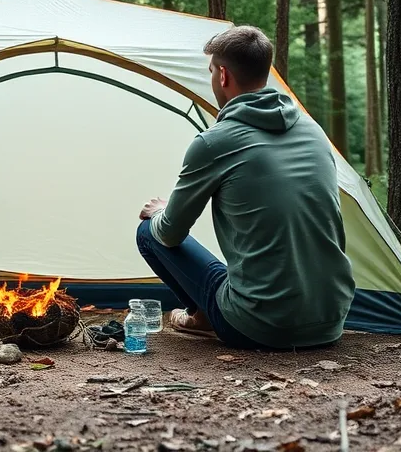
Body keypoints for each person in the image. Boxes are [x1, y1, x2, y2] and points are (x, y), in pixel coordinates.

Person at [136, 26, 355, 350]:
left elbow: (169, 233)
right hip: (331, 319)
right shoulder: (313, 131)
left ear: (223, 75)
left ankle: (202, 318)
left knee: (148, 232)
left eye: (211, 72)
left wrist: (160, 214)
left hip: (258, 328)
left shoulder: (214, 142)